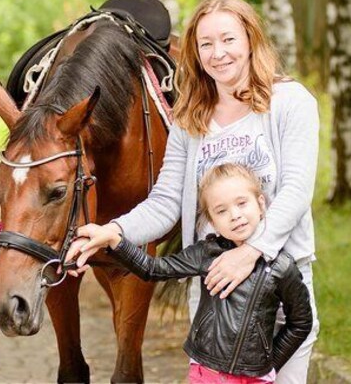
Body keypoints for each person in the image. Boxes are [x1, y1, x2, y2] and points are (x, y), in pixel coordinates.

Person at [67, 0, 320, 383]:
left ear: (251, 39)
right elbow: (166, 201)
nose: (218, 53)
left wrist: (250, 253)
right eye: (206, 44)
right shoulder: (190, 117)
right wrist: (114, 231)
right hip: (214, 291)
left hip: (278, 288)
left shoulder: (289, 102)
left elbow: (296, 191)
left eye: (228, 39)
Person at [74, 163, 312, 383]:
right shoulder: (206, 253)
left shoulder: (280, 267)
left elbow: (300, 322)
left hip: (255, 377)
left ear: (261, 204)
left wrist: (269, 365)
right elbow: (152, 269)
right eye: (221, 211)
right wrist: (116, 241)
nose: (235, 215)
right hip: (205, 373)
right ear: (212, 221)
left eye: (242, 203)